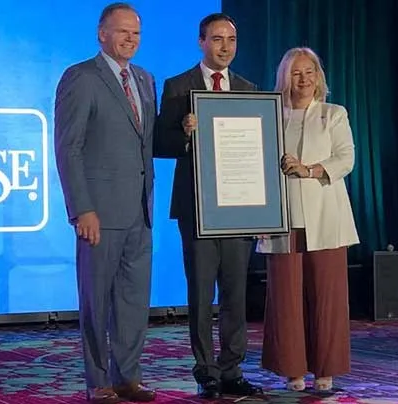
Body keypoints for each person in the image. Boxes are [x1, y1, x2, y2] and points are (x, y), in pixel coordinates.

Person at [154, 13, 263, 400]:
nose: (225, 47)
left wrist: (263, 210)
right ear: (201, 41)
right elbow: (158, 144)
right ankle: (206, 371)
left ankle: (233, 369)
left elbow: (259, 154)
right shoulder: (177, 86)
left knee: (235, 295)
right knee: (201, 295)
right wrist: (182, 131)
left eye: (231, 40)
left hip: (239, 210)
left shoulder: (250, 90)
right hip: (197, 210)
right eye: (217, 39)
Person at [53, 3, 157, 403]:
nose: (130, 39)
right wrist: (82, 208)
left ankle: (127, 377)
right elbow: (69, 148)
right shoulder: (81, 77)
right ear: (102, 34)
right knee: (96, 303)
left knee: (133, 302)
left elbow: (144, 145)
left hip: (140, 212)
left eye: (136, 33)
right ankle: (98, 382)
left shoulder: (145, 80)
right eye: (122, 32)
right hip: (99, 212)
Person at [256, 47, 360, 392]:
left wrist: (310, 170)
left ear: (319, 77)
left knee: (327, 297)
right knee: (286, 298)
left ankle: (325, 370)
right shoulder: (269, 115)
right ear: (284, 78)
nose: (302, 79)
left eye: (309, 72)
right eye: (295, 73)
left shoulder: (333, 114)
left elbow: (346, 159)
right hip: (281, 218)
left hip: (326, 218)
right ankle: (293, 371)